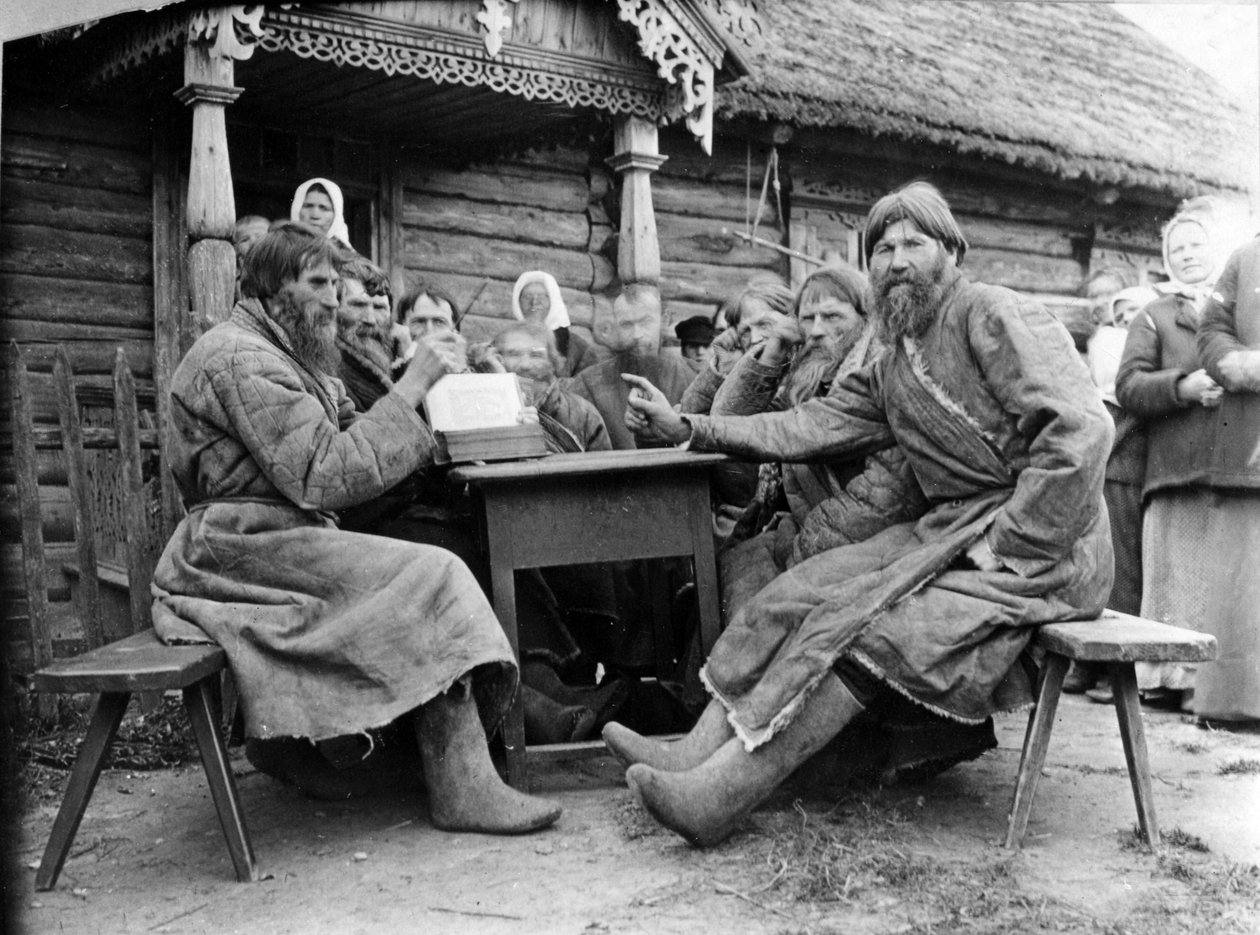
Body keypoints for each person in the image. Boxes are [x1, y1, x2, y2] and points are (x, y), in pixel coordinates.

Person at [604, 181, 1113, 846]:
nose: (897, 259)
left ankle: (721, 794)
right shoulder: (893, 353)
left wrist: (1012, 540)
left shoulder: (991, 314)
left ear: (952, 250)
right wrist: (691, 427)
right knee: (798, 591)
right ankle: (695, 750)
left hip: (1049, 546)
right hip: (953, 531)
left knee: (870, 629)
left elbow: (1082, 432)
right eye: (883, 248)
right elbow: (810, 424)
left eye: (915, 243)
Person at [149, 221, 560, 833]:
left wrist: (438, 388)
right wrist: (414, 383)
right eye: (319, 284)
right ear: (270, 288)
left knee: (425, 558)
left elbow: (353, 431)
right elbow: (325, 474)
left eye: (336, 285)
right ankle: (460, 784)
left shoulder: (289, 352)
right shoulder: (237, 355)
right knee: (434, 571)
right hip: (235, 551)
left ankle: (416, 762)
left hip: (278, 538)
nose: (335, 300)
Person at [1112, 200, 1232, 709]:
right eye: (1176, 248)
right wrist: (1181, 387)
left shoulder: (1239, 311)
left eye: (1196, 245)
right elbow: (1129, 386)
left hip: (1231, 465)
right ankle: (1170, 683)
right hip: (1175, 466)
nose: (1186, 255)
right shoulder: (1155, 315)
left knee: (1226, 578)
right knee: (1177, 577)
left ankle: (1218, 687)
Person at [1191, 235, 1260, 722]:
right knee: (1242, 578)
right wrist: (1236, 362)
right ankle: (1233, 706)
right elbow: (1212, 328)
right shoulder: (1245, 258)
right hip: (1246, 442)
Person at [565, 283, 699, 449]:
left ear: (664, 321)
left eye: (645, 322)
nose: (637, 334)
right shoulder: (589, 384)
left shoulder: (691, 378)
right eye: (626, 325)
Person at [491, 320, 611, 453]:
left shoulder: (584, 413)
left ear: (552, 362)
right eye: (514, 354)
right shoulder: (485, 410)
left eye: (536, 355)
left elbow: (602, 470)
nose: (525, 365)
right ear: (497, 359)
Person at [334, 257, 397, 412]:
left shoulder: (397, 362)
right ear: (333, 309)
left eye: (379, 307)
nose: (370, 319)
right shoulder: (327, 371)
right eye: (358, 304)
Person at [511, 270, 601, 377]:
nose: (534, 302)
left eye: (542, 296)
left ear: (554, 301)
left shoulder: (578, 348)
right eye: (527, 296)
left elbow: (589, 386)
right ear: (517, 302)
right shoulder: (506, 341)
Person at [290, 177, 353, 251]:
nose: (315, 215)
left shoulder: (348, 258)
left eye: (324, 208)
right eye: (308, 206)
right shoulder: (282, 250)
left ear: (336, 216)